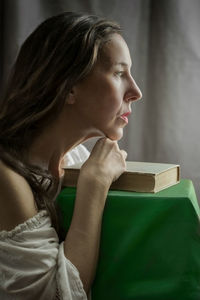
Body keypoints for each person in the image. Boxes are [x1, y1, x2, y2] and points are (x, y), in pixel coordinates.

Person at [0, 12, 142, 300]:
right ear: (68, 87)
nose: (136, 91)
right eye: (118, 73)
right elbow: (53, 296)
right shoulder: (7, 178)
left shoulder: (74, 157)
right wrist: (95, 183)